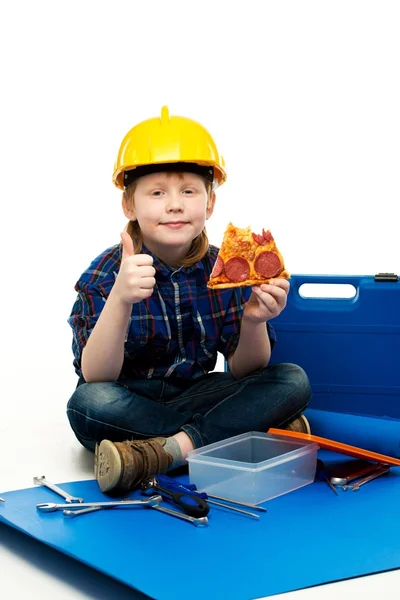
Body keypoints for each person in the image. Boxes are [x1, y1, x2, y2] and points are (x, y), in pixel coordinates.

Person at [67, 106, 312, 494]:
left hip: (198, 390)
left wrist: (253, 321)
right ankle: (242, 432)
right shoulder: (104, 272)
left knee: (291, 380)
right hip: (129, 399)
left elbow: (247, 369)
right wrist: (120, 298)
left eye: (189, 191)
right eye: (157, 193)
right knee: (87, 404)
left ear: (209, 203)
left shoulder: (225, 266)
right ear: (129, 205)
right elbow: (98, 378)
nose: (175, 204)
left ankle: (164, 451)